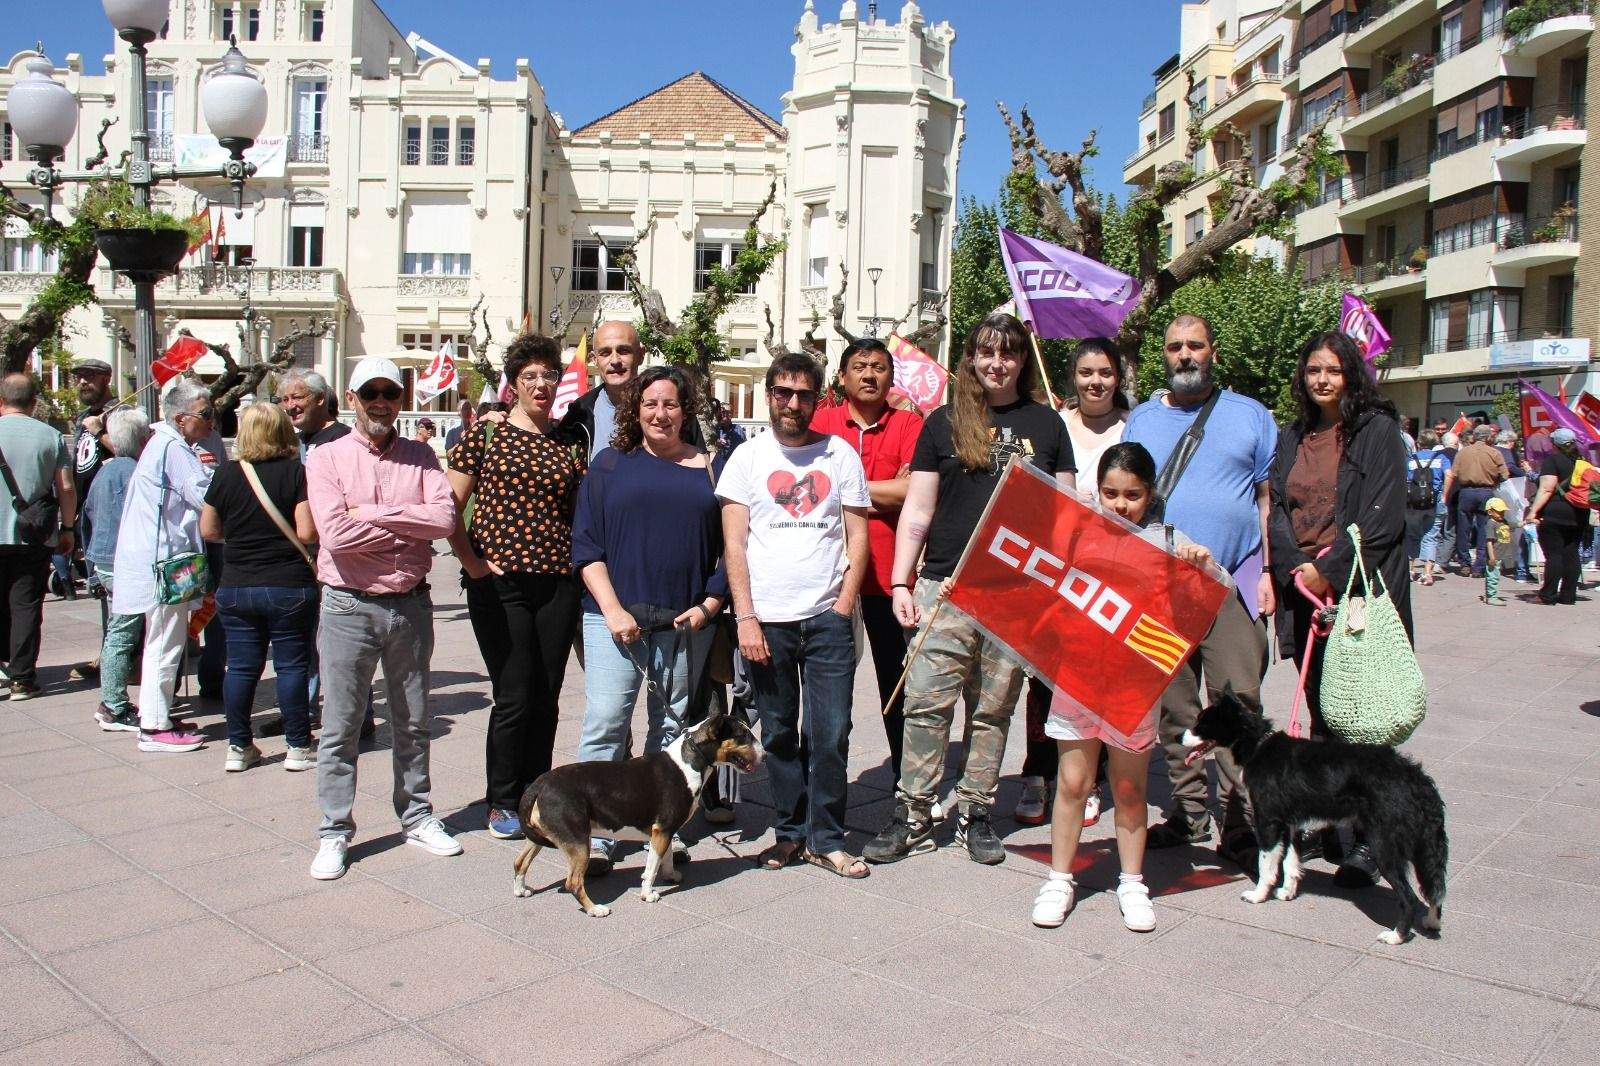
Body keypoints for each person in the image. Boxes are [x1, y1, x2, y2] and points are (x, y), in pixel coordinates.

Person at [864, 313, 1075, 867]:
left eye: (1007, 353)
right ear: (971, 359)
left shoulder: (1049, 425)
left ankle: (976, 811)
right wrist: (901, 579)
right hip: (944, 585)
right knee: (924, 705)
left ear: (1023, 360)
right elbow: (918, 509)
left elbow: (1068, 518)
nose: (996, 363)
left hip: (1014, 594)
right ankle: (912, 811)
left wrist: (1055, 589)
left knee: (992, 709)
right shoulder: (942, 423)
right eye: (985, 352)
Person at [1032, 443, 1214, 932]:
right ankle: (1059, 878)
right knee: (1072, 782)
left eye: (1132, 494)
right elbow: (1033, 582)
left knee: (1130, 786)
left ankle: (1132, 882)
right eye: (1110, 493)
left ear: (1149, 493)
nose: (1120, 504)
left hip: (1133, 685)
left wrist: (1201, 565)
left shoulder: (1168, 540)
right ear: (1097, 492)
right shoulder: (1078, 535)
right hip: (1078, 676)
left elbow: (1211, 595)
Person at [1124, 313, 1277, 871]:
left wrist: (1266, 574)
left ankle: (1242, 820)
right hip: (1161, 590)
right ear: (1163, 355)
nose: (1185, 354)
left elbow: (1266, 502)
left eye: (1195, 345)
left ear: (1213, 350)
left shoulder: (1250, 416)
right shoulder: (1140, 419)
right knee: (1174, 707)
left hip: (1231, 582)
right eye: (1174, 346)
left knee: (1240, 707)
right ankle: (1189, 811)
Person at [306, 356, 461, 880]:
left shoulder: (421, 456)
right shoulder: (325, 458)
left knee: (413, 722)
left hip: (411, 605)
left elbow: (443, 518)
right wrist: (406, 528)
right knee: (341, 726)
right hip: (348, 605)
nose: (380, 402)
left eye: (389, 393)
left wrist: (369, 516)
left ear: (400, 399)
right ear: (350, 398)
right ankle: (333, 831)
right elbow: (333, 536)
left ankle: (416, 815)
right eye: (369, 392)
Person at [719, 351, 871, 876]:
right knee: (780, 733)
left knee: (831, 734)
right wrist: (746, 618)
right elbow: (734, 546)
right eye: (783, 392)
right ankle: (789, 833)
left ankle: (827, 837)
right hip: (768, 623)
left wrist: (845, 603)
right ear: (769, 397)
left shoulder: (840, 455)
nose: (793, 403)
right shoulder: (748, 459)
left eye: (804, 393)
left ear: (817, 398)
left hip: (827, 619)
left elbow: (859, 535)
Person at [1268, 331, 1411, 884]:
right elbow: (1277, 508)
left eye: (1332, 369)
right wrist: (1295, 569)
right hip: (1307, 595)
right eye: (1312, 370)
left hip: (1358, 593)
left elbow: (1383, 518)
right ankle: (1339, 823)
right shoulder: (1294, 436)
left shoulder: (1376, 431)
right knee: (1325, 714)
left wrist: (1329, 572)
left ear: (1351, 373)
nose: (1321, 379)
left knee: (1366, 720)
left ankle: (1378, 839)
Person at [571, 365, 726, 871]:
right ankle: (596, 831)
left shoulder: (710, 469)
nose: (661, 414)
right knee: (606, 725)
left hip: (685, 624)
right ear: (634, 411)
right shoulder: (609, 466)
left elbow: (732, 549)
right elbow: (586, 547)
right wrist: (612, 609)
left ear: (687, 410)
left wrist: (710, 604)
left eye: (671, 404)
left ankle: (664, 826)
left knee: (670, 732)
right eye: (651, 404)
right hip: (614, 620)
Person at [447, 334, 585, 840]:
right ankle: (502, 798)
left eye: (549, 375)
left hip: (557, 582)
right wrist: (473, 561)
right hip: (500, 586)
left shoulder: (570, 442)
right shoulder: (486, 435)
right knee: (513, 693)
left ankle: (536, 795)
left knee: (546, 693)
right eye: (530, 376)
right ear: (514, 384)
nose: (541, 384)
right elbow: (447, 507)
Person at [1017, 337, 1129, 827]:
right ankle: (1038, 775)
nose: (1095, 381)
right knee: (1044, 679)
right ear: (1073, 377)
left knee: (1100, 679)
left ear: (1117, 377)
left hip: (1114, 569)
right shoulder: (1054, 424)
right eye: (1086, 372)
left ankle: (1090, 778)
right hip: (1055, 569)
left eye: (1104, 372)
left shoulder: (1134, 426)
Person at [810, 337, 922, 783]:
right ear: (842, 377)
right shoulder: (821, 422)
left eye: (879, 367)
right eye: (860, 366)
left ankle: (907, 784)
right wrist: (883, 491)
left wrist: (843, 489)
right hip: (827, 578)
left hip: (891, 580)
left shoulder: (910, 425)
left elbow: (914, 492)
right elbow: (810, 488)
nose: (870, 375)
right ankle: (821, 781)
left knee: (898, 689)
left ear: (891, 379)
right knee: (826, 692)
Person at [200, 402, 320, 773]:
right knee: (291, 666)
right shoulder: (295, 473)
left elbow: (209, 529)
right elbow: (307, 532)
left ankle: (239, 746)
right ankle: (298, 747)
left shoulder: (226, 474)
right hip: (288, 583)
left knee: (240, 668)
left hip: (237, 584)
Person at [111, 378, 213, 750]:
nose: (210, 421)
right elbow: (203, 496)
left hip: (160, 559)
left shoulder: (166, 445)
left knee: (164, 640)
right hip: (165, 563)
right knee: (165, 642)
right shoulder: (173, 448)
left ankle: (159, 713)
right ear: (182, 417)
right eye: (205, 413)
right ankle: (154, 725)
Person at [0, 374, 76, 701]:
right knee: (26, 604)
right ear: (34, 403)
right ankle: (21, 679)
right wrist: (68, 528)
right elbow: (67, 487)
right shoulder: (51, 436)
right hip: (33, 535)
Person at [84, 408, 152, 731]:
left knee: (120, 630)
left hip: (104, 559)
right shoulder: (133, 473)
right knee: (122, 633)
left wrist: (91, 568)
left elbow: (87, 518)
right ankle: (113, 704)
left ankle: (114, 700)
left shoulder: (106, 472)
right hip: (121, 563)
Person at [59, 358, 114, 611]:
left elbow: (129, 450)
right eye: (79, 377)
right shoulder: (84, 416)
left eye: (89, 376)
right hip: (86, 510)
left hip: (108, 510)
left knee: (107, 582)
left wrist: (99, 433)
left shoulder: (117, 412)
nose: (82, 382)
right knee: (96, 584)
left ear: (106, 379)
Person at [1524, 427, 1589, 606]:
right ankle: (1568, 596)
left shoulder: (1553, 460)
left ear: (1554, 444)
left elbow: (1546, 488)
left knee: (1553, 554)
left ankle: (1548, 595)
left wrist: (1533, 511)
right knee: (1571, 553)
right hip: (1580, 512)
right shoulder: (1581, 461)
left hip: (1555, 512)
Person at [1451, 424, 1509, 577]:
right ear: (1488, 437)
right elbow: (1505, 475)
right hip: (1486, 491)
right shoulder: (1494, 453)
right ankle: (1479, 566)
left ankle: (1464, 563)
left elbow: (1454, 473)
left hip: (1466, 492)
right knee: (1485, 529)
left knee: (1463, 528)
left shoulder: (1463, 453)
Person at [1409, 429, 1452, 586]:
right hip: (1435, 501)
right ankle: (1427, 573)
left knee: (1412, 535)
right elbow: (1449, 474)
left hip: (1413, 504)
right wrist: (1444, 496)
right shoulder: (1442, 458)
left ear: (1419, 443)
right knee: (1431, 536)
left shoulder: (1411, 459)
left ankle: (1411, 569)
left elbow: (1405, 479)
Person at [277, 368, 350, 456]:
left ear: (319, 399)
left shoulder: (344, 438)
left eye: (297, 398)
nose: (290, 406)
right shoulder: (292, 443)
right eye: (285, 400)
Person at [1482, 498, 1511, 606]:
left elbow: (1511, 525)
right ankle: (1491, 597)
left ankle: (1488, 595)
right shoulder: (1491, 524)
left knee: (1493, 576)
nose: (1502, 514)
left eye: (1503, 511)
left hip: (1500, 554)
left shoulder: (1503, 522)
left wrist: (1523, 522)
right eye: (1499, 512)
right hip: (1494, 555)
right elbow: (1489, 542)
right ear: (1490, 512)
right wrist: (1492, 557)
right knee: (1493, 577)